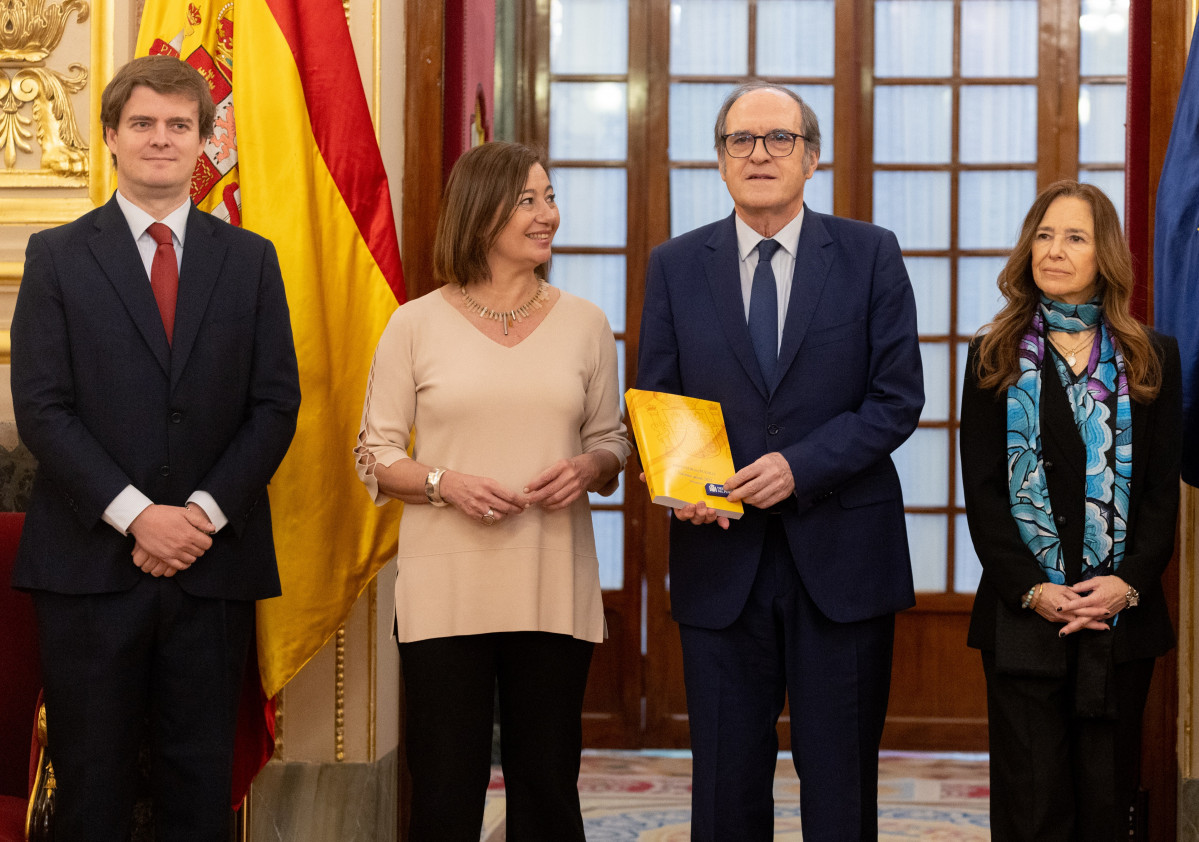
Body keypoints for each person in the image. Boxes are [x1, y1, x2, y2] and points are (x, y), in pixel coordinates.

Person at [9, 55, 301, 840]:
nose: (161, 140)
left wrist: (196, 516)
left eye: (180, 126)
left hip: (212, 568)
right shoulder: (58, 256)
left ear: (206, 139)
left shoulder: (251, 261)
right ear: (110, 136)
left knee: (198, 790)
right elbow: (41, 408)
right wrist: (140, 517)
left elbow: (275, 406)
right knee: (91, 794)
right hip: (87, 570)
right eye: (143, 124)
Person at [635, 81, 924, 841]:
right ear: (719, 160)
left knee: (840, 788)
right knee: (724, 787)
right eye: (740, 140)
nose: (758, 154)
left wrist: (799, 466)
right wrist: (684, 486)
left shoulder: (869, 255)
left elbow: (895, 400)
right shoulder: (673, 264)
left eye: (779, 139)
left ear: (812, 156)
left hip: (842, 558)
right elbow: (661, 400)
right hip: (718, 553)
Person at [354, 140, 630, 842]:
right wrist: (446, 483)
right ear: (480, 216)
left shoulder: (587, 324)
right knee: (446, 789)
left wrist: (589, 468)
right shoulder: (412, 324)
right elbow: (374, 456)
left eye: (549, 197)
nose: (548, 215)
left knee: (546, 785)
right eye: (528, 200)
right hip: (445, 590)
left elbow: (613, 444)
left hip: (550, 582)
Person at [960, 180, 1180, 841]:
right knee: (1032, 808)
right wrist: (1031, 589)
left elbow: (1159, 495)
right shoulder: (991, 352)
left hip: (1119, 619)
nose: (1053, 250)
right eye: (1044, 234)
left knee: (1105, 805)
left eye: (1074, 237)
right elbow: (984, 495)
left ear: (1102, 254)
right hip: (1023, 614)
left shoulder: (1150, 355)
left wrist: (1126, 583)